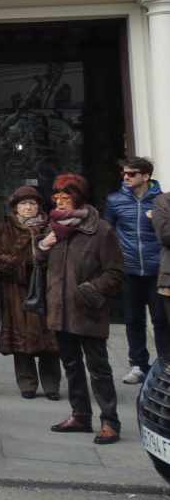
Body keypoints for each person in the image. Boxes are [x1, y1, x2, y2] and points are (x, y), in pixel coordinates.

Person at [39, 173, 123, 443]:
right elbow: (38, 263)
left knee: (98, 368)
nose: (60, 202)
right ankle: (80, 415)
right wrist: (42, 246)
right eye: (57, 197)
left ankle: (110, 421)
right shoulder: (54, 227)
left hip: (88, 310)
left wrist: (91, 290)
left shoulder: (101, 230)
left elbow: (115, 272)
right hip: (60, 309)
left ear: (79, 199)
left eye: (66, 197)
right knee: (71, 365)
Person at [0, 185, 62, 400]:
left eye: (32, 203)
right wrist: (27, 260)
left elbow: (59, 257)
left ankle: (51, 385)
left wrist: (41, 258)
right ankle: (27, 383)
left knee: (50, 342)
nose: (28, 207)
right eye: (23, 204)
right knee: (21, 342)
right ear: (15, 208)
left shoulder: (51, 226)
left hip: (46, 289)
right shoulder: (4, 229)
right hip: (16, 291)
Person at [105, 157, 167, 385]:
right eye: (124, 173)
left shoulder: (162, 201)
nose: (126, 177)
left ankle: (165, 365)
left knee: (161, 319)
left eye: (131, 174)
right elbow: (108, 232)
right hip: (129, 269)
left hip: (156, 269)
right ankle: (138, 365)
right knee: (133, 319)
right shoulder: (115, 200)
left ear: (145, 176)